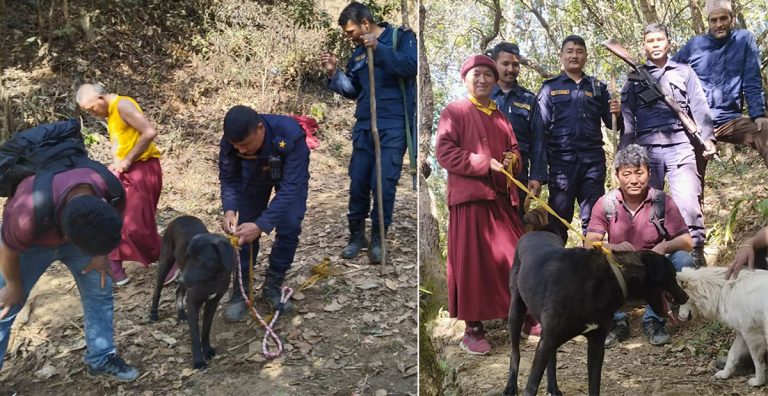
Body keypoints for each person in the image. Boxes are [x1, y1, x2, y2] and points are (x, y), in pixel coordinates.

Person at [0, 165, 138, 381]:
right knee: (4, 305)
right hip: (33, 244)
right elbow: (7, 250)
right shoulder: (26, 213)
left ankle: (101, 358)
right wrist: (14, 286)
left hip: (83, 233)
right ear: (64, 232)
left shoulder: (111, 189)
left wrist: (100, 256)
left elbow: (110, 228)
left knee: (100, 289)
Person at [435, 54, 524, 355]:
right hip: (470, 199)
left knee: (516, 254)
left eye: (488, 74)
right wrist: (483, 163)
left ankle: (522, 314)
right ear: (465, 79)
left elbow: (513, 149)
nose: (483, 79)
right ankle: (473, 328)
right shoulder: (455, 111)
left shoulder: (500, 116)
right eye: (477, 74)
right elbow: (445, 152)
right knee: (472, 264)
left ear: (495, 80)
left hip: (500, 200)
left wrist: (513, 160)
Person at [320, 1, 416, 264]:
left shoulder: (401, 38)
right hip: (364, 126)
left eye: (351, 32)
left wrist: (380, 49)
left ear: (365, 24)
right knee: (359, 183)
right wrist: (334, 74)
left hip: (394, 125)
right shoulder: (358, 53)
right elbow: (353, 89)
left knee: (383, 185)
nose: (350, 38)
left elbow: (410, 66)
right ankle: (356, 236)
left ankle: (378, 239)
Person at [620, 24, 716, 268]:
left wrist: (709, 138)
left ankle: (694, 251)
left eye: (659, 39)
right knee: (645, 206)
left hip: (681, 144)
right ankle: (650, 259)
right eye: (650, 40)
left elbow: (699, 105)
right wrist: (624, 156)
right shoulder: (634, 77)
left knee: (688, 202)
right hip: (646, 150)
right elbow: (628, 119)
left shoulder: (684, 72)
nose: (655, 44)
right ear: (644, 45)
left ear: (668, 43)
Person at [586, 144, 695, 347]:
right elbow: (589, 243)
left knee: (683, 260)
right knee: (593, 266)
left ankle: (654, 320)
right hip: (621, 270)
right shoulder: (606, 203)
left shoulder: (661, 201)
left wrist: (662, 248)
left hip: (652, 269)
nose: (634, 180)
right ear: (618, 175)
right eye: (627, 174)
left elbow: (687, 242)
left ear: (649, 173)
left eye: (639, 173)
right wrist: (611, 246)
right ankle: (616, 321)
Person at [219, 105, 310, 321]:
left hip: (289, 179)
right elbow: (229, 177)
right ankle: (241, 292)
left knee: (289, 225)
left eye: (244, 145)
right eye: (236, 146)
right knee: (244, 233)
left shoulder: (290, 135)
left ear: (260, 128)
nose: (240, 150)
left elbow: (290, 188)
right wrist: (230, 209)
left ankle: (272, 285)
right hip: (254, 177)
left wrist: (261, 225)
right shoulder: (232, 141)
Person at [76, 83, 166, 286]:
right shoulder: (111, 114)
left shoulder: (122, 105)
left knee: (137, 225)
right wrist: (117, 164)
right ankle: (115, 266)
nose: (93, 113)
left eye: (92, 109)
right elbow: (124, 143)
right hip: (126, 171)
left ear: (101, 98)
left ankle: (170, 260)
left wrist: (127, 160)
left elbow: (149, 132)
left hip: (143, 169)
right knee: (115, 217)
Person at [535, 35, 621, 242]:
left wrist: (618, 112)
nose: (575, 56)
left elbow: (613, 124)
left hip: (593, 163)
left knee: (593, 220)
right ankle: (556, 269)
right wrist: (538, 172)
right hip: (561, 165)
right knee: (558, 218)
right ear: (562, 55)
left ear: (586, 56)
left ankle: (590, 269)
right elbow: (539, 131)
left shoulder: (597, 87)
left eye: (579, 51)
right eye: (570, 51)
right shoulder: (549, 88)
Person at [674, 0, 768, 169]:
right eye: (713, 20)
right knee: (693, 174)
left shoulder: (744, 39)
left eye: (723, 18)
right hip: (697, 122)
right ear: (708, 22)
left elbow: (752, 80)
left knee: (765, 130)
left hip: (729, 121)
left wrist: (758, 113)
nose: (719, 24)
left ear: (731, 19)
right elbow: (669, 72)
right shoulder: (695, 45)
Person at [489, 42, 547, 216]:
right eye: (505, 64)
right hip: (489, 171)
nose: (511, 69)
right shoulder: (484, 95)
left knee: (517, 224)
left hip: (519, 174)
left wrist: (537, 177)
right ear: (494, 64)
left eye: (515, 64)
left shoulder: (529, 99)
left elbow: (538, 140)